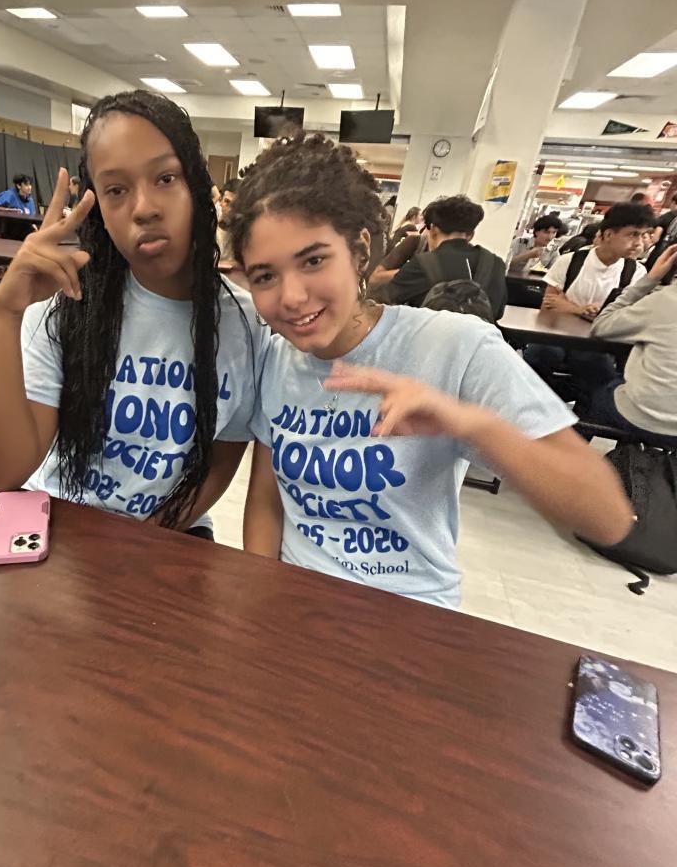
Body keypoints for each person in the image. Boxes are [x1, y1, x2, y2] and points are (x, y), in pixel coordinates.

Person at [228, 133, 632, 607]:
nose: (292, 297)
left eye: (314, 260)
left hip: (407, 609)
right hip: (295, 597)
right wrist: (263, 597)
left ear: (359, 251)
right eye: (265, 276)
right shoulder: (278, 356)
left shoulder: (455, 345)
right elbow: (267, 501)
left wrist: (469, 424)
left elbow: (607, 519)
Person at [0, 89, 267, 536]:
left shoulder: (245, 325)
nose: (144, 208)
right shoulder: (67, 304)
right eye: (116, 190)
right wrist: (5, 313)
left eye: (165, 178)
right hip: (62, 517)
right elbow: (4, 474)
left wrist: (143, 541)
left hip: (171, 528)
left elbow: (220, 462)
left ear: (195, 186)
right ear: (98, 209)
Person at [523, 203, 654, 401]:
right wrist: (581, 310)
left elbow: (628, 317)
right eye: (633, 234)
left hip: (597, 343)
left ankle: (574, 410)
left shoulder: (635, 272)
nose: (639, 243)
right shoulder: (570, 261)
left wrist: (568, 306)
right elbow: (548, 305)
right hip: (556, 335)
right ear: (608, 234)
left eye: (643, 235)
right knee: (539, 356)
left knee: (602, 376)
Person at [579, 243, 677, 446]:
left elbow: (601, 326)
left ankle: (571, 457)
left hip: (643, 417)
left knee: (592, 388)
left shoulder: (665, 300)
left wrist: (650, 279)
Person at [380, 194, 507, 320]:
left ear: (433, 230)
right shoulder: (495, 264)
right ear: (470, 235)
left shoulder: (423, 264)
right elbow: (498, 313)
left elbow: (386, 301)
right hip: (481, 333)